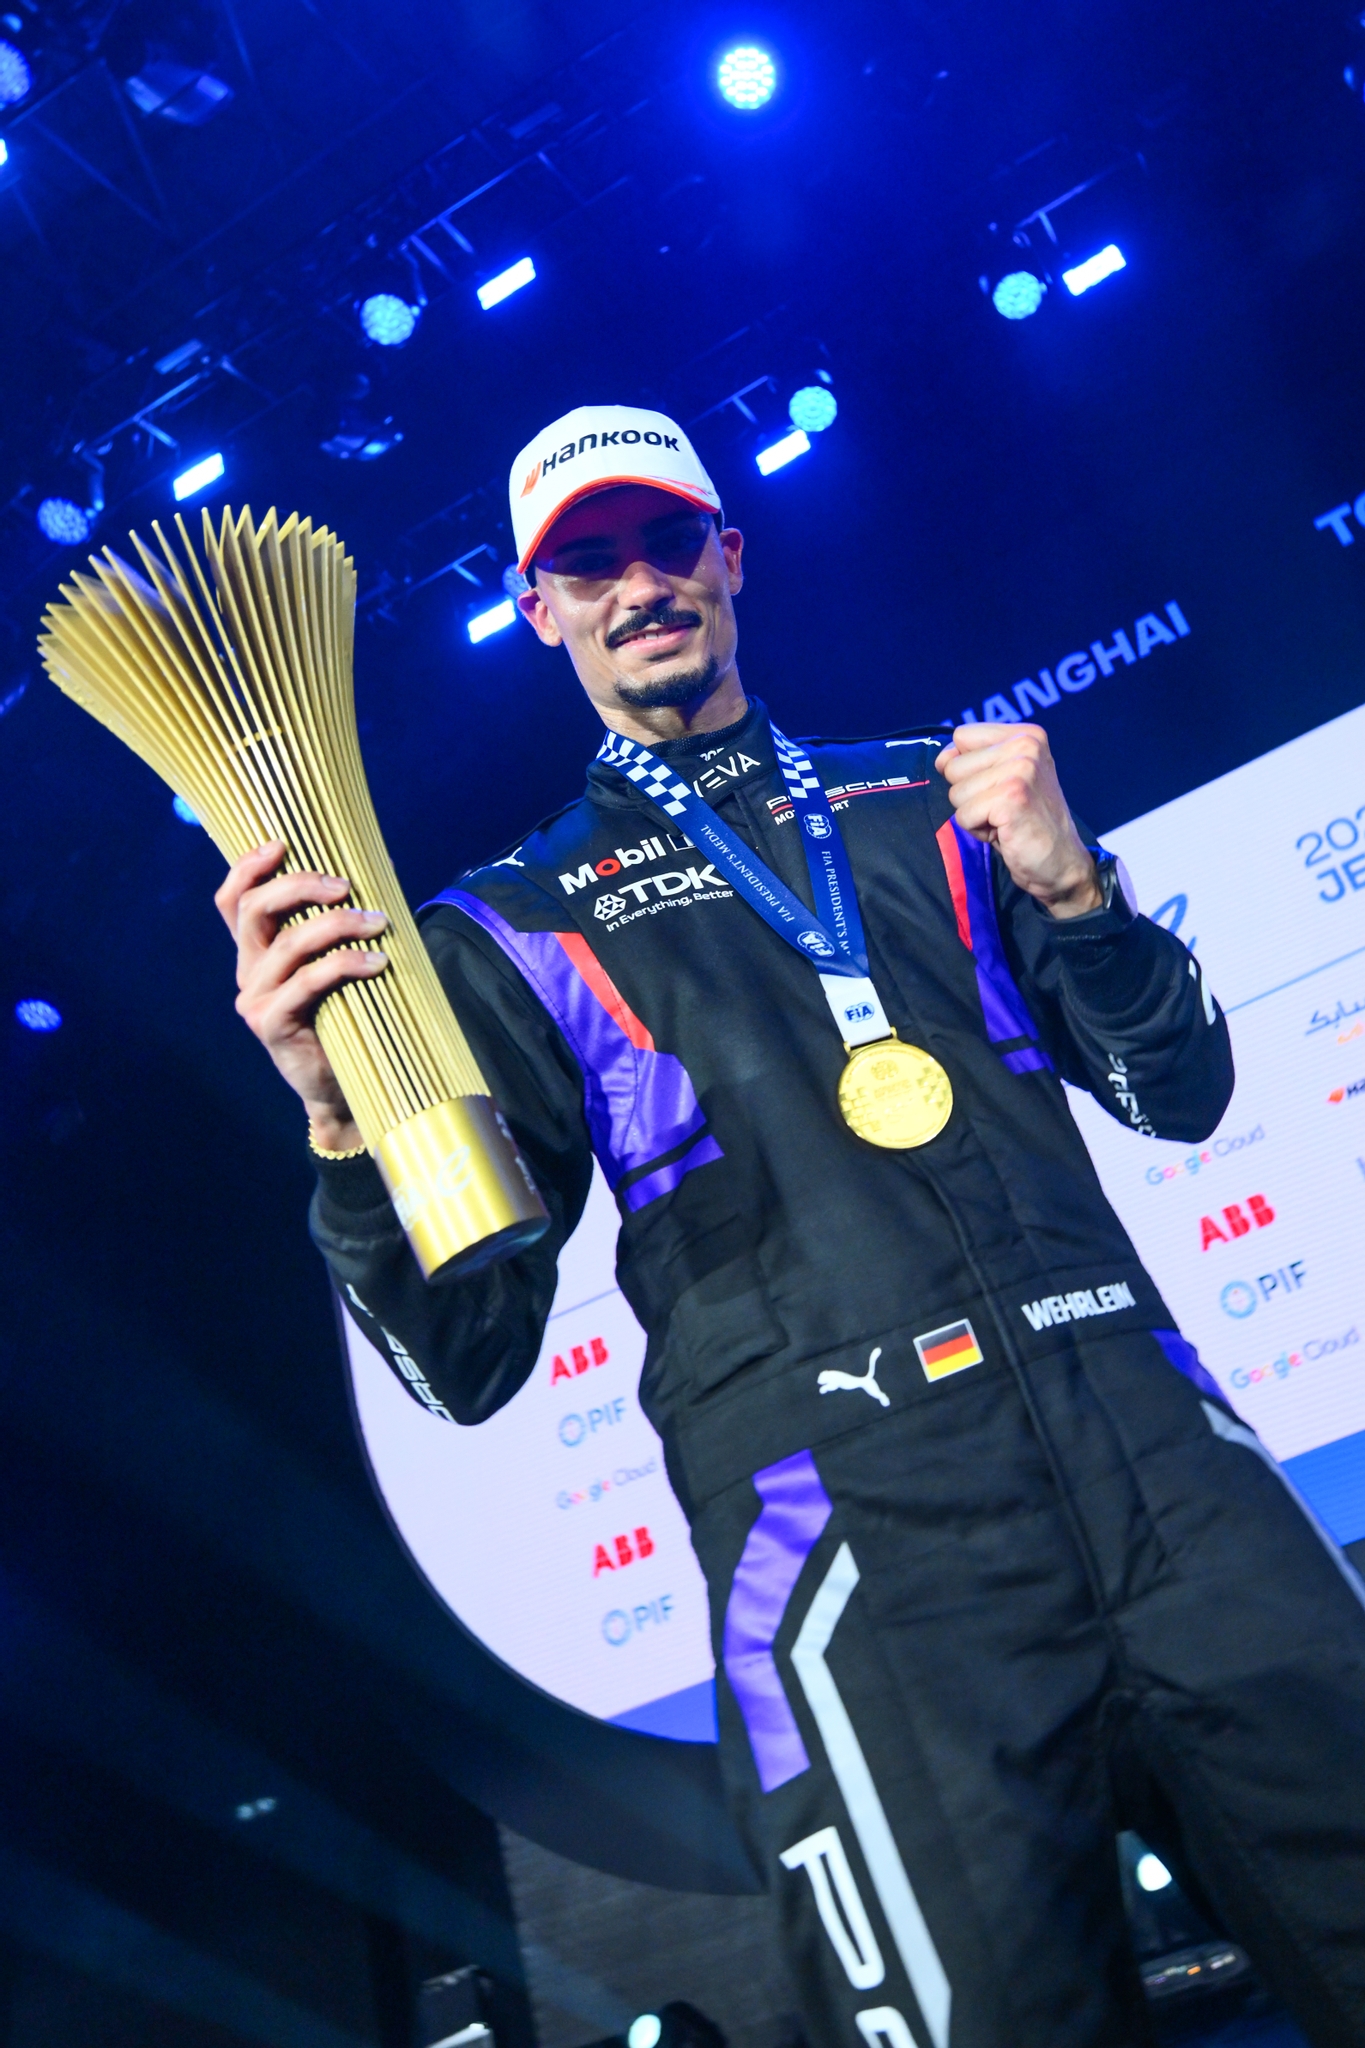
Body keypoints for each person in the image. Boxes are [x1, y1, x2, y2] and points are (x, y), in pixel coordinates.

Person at [216, 406, 1365, 2048]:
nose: (638, 585)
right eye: (587, 564)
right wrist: (341, 1122)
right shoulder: (504, 930)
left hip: (1160, 1459)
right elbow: (466, 1352)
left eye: (665, 541)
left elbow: (1177, 1093)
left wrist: (1075, 892)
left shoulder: (937, 802)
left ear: (730, 558)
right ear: (535, 609)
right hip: (854, 1538)